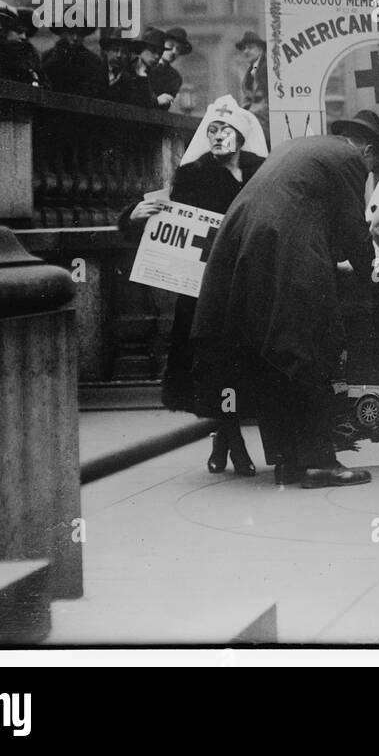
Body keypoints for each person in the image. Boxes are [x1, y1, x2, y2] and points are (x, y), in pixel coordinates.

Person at [191, 127, 379, 489]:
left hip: (246, 250)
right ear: (368, 152)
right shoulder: (349, 159)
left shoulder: (300, 148)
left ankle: (288, 461)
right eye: (374, 168)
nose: (369, 174)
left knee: (274, 357)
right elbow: (352, 228)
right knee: (312, 350)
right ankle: (319, 463)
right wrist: (371, 272)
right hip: (284, 255)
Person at [120, 96, 269, 474]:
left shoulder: (261, 173)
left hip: (248, 286)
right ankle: (234, 443)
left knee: (242, 366)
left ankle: (221, 439)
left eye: (227, 130)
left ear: (242, 134)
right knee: (219, 365)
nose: (218, 137)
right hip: (206, 291)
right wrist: (134, 215)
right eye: (213, 130)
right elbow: (167, 219)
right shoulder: (193, 175)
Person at [40, 27, 105, 98]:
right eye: (71, 33)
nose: (75, 38)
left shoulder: (93, 61)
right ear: (62, 33)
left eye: (80, 33)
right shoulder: (47, 56)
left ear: (84, 36)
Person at [237, 30, 270, 141]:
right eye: (244, 48)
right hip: (255, 118)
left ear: (260, 50)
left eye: (250, 48)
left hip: (266, 121)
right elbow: (248, 98)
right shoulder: (252, 70)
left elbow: (270, 100)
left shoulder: (266, 68)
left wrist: (249, 114)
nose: (246, 51)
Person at [144, 26, 183, 109]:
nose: (174, 51)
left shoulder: (175, 77)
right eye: (170, 46)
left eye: (178, 49)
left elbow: (166, 105)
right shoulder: (144, 64)